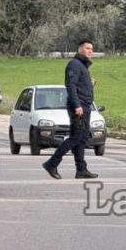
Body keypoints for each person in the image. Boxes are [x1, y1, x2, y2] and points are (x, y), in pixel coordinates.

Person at [42, 40, 98, 180]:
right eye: (87, 48)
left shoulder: (83, 66)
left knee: (83, 138)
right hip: (78, 107)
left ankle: (81, 170)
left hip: (85, 106)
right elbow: (71, 86)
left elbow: (78, 86)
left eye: (92, 49)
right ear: (80, 49)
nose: (90, 51)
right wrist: (77, 105)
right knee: (76, 137)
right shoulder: (75, 64)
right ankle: (51, 163)